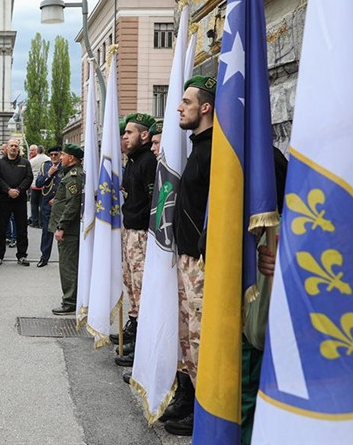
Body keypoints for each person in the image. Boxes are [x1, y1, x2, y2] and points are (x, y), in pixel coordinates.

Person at [161, 75, 216, 436]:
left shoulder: (218, 150)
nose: (178, 107)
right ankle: (187, 395)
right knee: (185, 334)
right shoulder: (197, 148)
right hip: (186, 259)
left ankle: (203, 408)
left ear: (205, 108)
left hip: (204, 263)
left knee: (199, 335)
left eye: (186, 102)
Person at [113, 112, 158, 367]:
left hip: (141, 233)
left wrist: (139, 221)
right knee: (130, 284)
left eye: (128, 133)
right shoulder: (132, 161)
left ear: (144, 135)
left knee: (141, 288)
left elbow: (151, 201)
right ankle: (134, 330)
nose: (124, 137)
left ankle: (142, 345)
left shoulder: (148, 162)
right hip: (130, 230)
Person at [49, 144, 84, 315]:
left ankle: (70, 301)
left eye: (63, 155)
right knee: (69, 264)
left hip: (69, 230)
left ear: (71, 158)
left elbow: (73, 204)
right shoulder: (70, 174)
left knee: (68, 266)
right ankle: (72, 298)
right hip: (69, 228)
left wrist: (61, 227)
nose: (60, 157)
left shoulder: (74, 176)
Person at [0, 138, 33, 266]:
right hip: (4, 199)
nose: (14, 148)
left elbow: (29, 177)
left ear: (18, 148)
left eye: (16, 146)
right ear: (7, 148)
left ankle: (22, 255)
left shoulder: (25, 163)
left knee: (22, 228)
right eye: (11, 146)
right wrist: (8, 190)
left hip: (19, 199)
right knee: (0, 228)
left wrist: (19, 190)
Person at [36, 146, 62, 267]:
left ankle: (64, 259)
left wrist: (57, 198)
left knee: (63, 231)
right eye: (51, 155)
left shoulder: (65, 166)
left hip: (61, 203)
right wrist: (49, 174)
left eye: (56, 154)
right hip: (46, 203)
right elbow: (38, 183)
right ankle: (44, 257)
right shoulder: (45, 166)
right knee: (47, 231)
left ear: (60, 155)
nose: (53, 157)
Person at [28, 144, 50, 228]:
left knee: (34, 204)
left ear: (37, 151)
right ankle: (42, 222)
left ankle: (35, 221)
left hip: (34, 185)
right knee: (42, 205)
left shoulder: (32, 160)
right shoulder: (48, 159)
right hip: (44, 185)